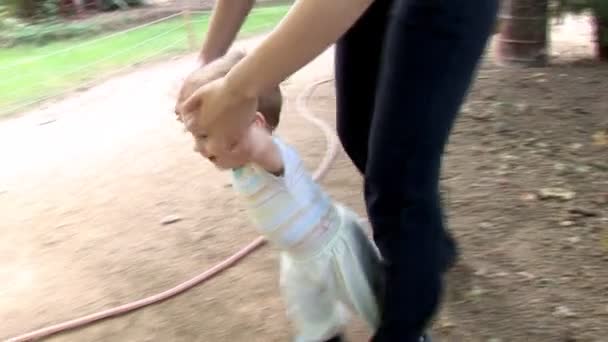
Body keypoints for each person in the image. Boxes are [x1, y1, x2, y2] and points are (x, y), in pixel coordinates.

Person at [178, 0, 499, 341]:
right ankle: (432, 247)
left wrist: (235, 90)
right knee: (359, 133)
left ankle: (403, 329)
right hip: (303, 253)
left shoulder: (259, 148)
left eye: (202, 138)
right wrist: (205, 66)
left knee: (397, 176)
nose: (197, 147)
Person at [175, 51, 385, 342]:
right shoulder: (240, 165)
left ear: (254, 127)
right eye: (196, 136)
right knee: (314, 320)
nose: (198, 148)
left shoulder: (271, 156)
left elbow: (259, 146)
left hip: (337, 248)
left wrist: (246, 128)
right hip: (299, 259)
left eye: (204, 135)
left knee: (379, 306)